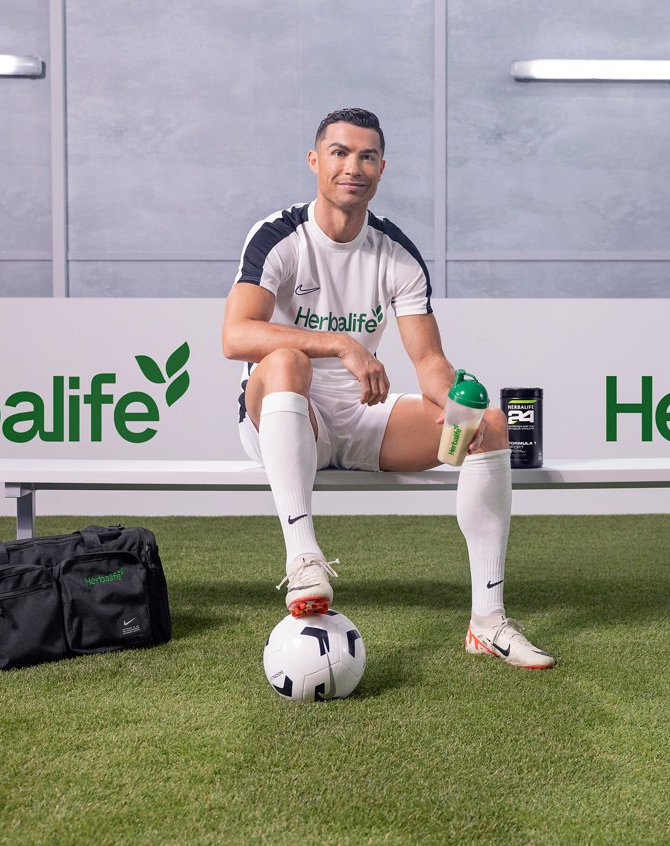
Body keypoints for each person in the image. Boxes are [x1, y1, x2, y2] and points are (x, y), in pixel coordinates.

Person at [221, 108, 554, 670]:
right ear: (314, 161)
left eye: (367, 156)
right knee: (283, 360)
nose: (353, 166)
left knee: (491, 424)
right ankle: (304, 560)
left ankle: (488, 621)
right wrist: (345, 346)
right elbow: (235, 336)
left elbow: (428, 362)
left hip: (360, 418)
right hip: (285, 416)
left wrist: (460, 404)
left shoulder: (396, 253)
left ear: (381, 168)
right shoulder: (279, 236)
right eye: (339, 152)